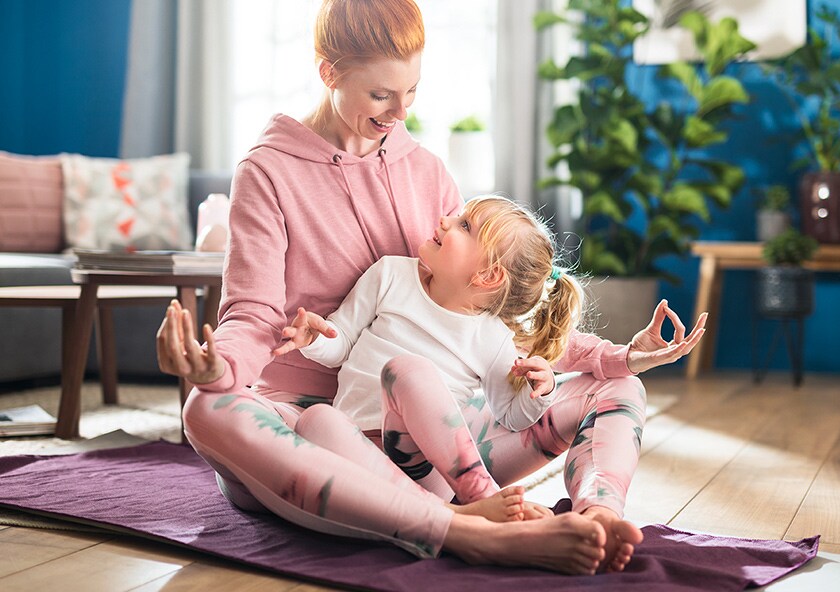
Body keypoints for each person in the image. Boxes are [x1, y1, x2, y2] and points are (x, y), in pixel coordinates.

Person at [156, 0, 705, 575]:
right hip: (312, 435)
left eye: (411, 92)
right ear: (329, 73)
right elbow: (253, 313)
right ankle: (465, 532)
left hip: (439, 437)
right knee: (208, 410)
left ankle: (594, 517)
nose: (400, 112)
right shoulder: (268, 171)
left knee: (616, 389)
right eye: (381, 95)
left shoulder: (428, 173)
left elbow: (484, 318)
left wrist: (618, 355)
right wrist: (216, 368)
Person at [270, 196, 627, 522]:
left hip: (427, 467)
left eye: (465, 226)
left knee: (406, 371)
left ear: (488, 276)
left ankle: (479, 496)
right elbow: (341, 344)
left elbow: (511, 416)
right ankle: (451, 514)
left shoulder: (493, 338)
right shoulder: (390, 274)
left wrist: (542, 390)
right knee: (316, 420)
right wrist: (315, 339)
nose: (445, 220)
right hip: (357, 449)